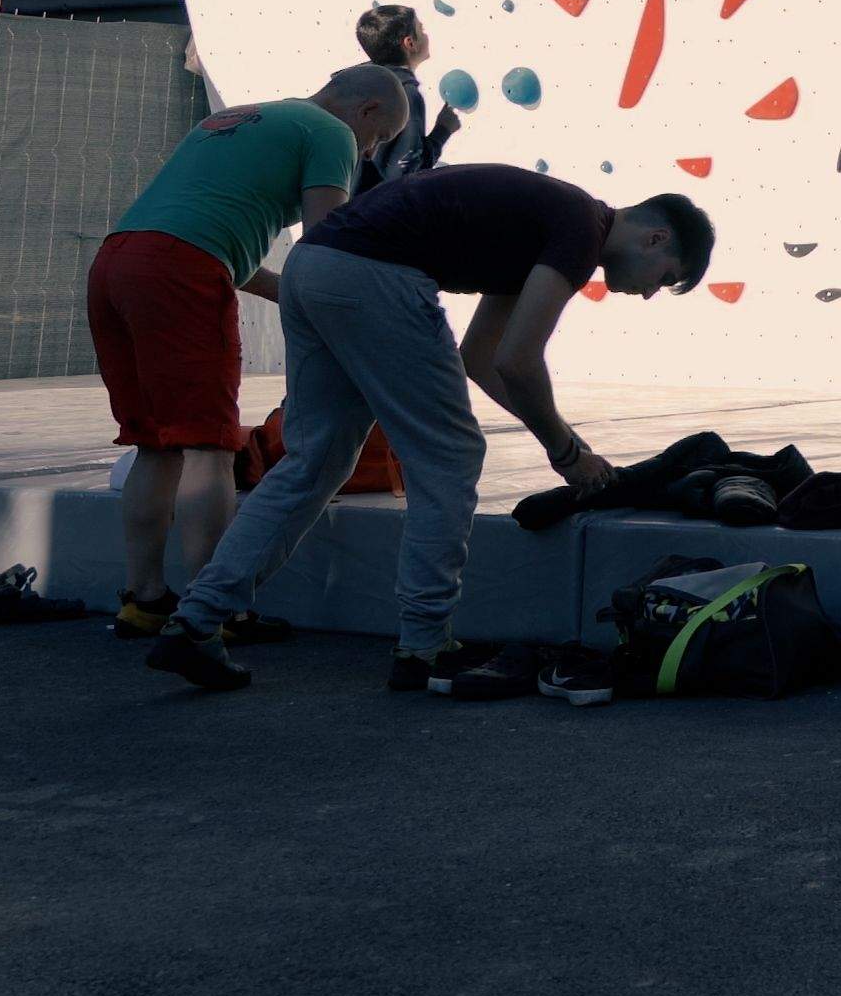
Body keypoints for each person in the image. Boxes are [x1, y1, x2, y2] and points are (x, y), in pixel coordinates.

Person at [143, 168, 713, 693]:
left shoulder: (554, 218)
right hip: (373, 274)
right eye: (662, 281)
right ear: (656, 239)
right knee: (450, 455)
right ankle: (424, 645)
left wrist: (569, 446)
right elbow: (519, 360)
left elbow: (482, 358)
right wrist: (565, 452)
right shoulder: (580, 231)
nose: (646, 294)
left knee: (315, 461)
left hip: (312, 267)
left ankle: (196, 619)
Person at [91, 67, 406, 641]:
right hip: (182, 271)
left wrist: (290, 295)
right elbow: (328, 243)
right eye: (379, 138)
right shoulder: (332, 134)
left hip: (117, 263)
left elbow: (212, 241)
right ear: (366, 112)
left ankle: (145, 603)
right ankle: (218, 612)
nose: (371, 151)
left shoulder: (239, 118)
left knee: (156, 445)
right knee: (209, 448)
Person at [347, 4, 460, 194]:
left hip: (343, 208)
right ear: (410, 43)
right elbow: (405, 174)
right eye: (421, 29)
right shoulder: (404, 94)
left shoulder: (356, 84)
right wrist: (443, 130)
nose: (426, 35)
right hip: (373, 215)